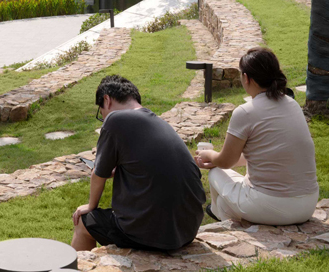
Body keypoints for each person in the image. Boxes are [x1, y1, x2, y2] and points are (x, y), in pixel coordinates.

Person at [71, 75, 206, 251]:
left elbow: (98, 173)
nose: (103, 118)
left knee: (83, 222)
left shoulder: (114, 120)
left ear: (107, 100)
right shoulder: (157, 122)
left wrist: (90, 206)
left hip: (149, 234)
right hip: (188, 228)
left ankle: (77, 269)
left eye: (101, 113)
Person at [196, 47, 319, 225]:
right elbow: (269, 153)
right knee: (225, 201)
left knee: (216, 172)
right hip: (308, 204)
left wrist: (208, 155)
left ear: (246, 78)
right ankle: (221, 210)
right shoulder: (292, 104)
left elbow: (225, 162)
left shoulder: (245, 112)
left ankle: (217, 212)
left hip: (273, 206)